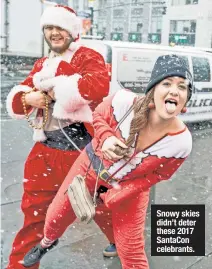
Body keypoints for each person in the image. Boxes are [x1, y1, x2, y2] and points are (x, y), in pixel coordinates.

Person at [23, 54, 193, 269]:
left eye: (182, 87)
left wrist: (124, 190)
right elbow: (98, 116)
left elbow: (161, 174)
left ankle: (116, 242)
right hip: (88, 167)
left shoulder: (181, 142)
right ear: (153, 90)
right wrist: (106, 138)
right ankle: (46, 243)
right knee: (55, 217)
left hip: (131, 189)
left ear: (186, 99)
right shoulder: (123, 102)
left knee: (131, 251)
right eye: (166, 83)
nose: (174, 90)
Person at [6, 5, 116, 269]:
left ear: (72, 31)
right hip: (44, 152)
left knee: (103, 208)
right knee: (33, 215)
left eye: (60, 28)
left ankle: (123, 242)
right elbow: (21, 98)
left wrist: (53, 88)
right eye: (49, 28)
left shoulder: (88, 56)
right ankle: (19, 265)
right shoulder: (42, 63)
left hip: (81, 152)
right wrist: (26, 97)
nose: (54, 33)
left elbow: (96, 87)